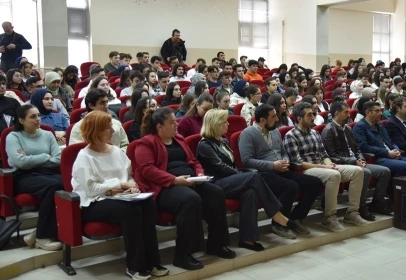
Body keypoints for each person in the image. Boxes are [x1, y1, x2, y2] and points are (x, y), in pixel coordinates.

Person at [134, 107, 235, 270]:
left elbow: (193, 161)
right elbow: (148, 170)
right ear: (159, 127)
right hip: (165, 188)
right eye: (171, 122)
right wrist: (174, 180)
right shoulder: (146, 142)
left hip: (190, 181)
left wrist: (200, 174)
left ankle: (216, 244)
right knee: (190, 199)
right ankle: (182, 254)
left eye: (176, 120)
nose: (176, 124)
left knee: (216, 193)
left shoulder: (179, 139)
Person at [71, 111, 168, 279]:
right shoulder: (84, 156)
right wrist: (121, 184)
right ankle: (135, 266)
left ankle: (152, 261)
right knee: (130, 211)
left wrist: (132, 187)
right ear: (96, 131)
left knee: (148, 204)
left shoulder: (116, 151)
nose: (113, 131)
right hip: (93, 203)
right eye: (108, 128)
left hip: (120, 197)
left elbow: (128, 175)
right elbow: (91, 189)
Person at [197, 109, 302, 247]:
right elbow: (220, 167)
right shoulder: (205, 144)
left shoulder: (223, 141)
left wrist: (241, 174)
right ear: (215, 124)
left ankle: (247, 239)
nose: (228, 124)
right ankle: (276, 214)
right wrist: (242, 175)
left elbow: (232, 165)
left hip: (231, 180)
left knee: (250, 193)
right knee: (253, 176)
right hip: (216, 183)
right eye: (224, 122)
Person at [238, 105, 324, 235]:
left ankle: (295, 219)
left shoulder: (275, 131)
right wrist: (272, 165)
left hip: (281, 169)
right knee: (290, 186)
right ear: (263, 120)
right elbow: (247, 161)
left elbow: (283, 151)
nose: (277, 118)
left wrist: (285, 160)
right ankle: (278, 224)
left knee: (315, 183)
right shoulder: (247, 134)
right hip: (262, 174)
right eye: (273, 116)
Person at [283, 102, 368, 232]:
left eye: (313, 114)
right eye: (309, 115)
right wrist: (324, 167)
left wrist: (329, 164)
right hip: (306, 170)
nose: (313, 117)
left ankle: (352, 212)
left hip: (322, 166)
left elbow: (324, 154)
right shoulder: (291, 135)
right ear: (299, 118)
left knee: (357, 171)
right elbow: (298, 163)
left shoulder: (315, 133)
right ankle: (329, 217)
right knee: (334, 175)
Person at [7, 105, 62, 251]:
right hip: (23, 176)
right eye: (32, 117)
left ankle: (40, 232)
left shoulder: (47, 134)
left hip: (47, 172)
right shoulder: (13, 137)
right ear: (21, 120)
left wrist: (31, 159)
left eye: (38, 115)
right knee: (53, 186)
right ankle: (42, 238)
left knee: (68, 184)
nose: (38, 119)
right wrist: (44, 156)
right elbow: (20, 162)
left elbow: (58, 159)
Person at [322, 101, 392, 216]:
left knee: (384, 171)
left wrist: (361, 159)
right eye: (346, 112)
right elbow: (332, 156)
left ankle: (377, 203)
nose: (349, 115)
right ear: (336, 113)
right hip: (344, 164)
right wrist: (354, 161)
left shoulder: (348, 129)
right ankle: (361, 206)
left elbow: (357, 149)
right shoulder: (328, 131)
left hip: (356, 162)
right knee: (366, 173)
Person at [353, 101, 406, 179]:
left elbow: (390, 141)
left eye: (381, 111)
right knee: (404, 166)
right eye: (377, 111)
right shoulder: (360, 127)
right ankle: (394, 190)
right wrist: (387, 153)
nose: (380, 113)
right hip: (378, 157)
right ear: (368, 112)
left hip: (391, 155)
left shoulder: (379, 125)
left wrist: (396, 150)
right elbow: (364, 147)